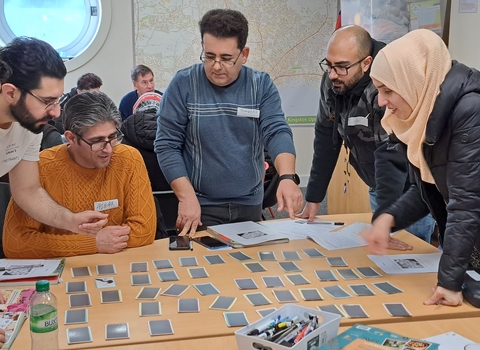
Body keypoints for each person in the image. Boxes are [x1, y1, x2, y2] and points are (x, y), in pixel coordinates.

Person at [154, 8, 303, 236]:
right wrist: (186, 197)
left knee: (249, 266)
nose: (216, 66)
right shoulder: (183, 84)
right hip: (199, 204)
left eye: (226, 58)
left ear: (244, 54)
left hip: (250, 201)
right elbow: (167, 145)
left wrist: (287, 177)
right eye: (209, 56)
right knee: (203, 269)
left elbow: (277, 132)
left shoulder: (260, 85)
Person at [364, 29, 480, 306]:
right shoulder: (425, 115)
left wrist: (449, 282)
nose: (381, 102)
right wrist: (389, 219)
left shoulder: (469, 109)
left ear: (414, 80)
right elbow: (429, 188)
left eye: (388, 90)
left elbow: (466, 202)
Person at [300, 25, 434, 244]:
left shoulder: (388, 83)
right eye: (329, 65)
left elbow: (390, 154)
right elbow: (326, 136)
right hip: (377, 184)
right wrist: (314, 197)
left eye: (342, 67)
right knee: (382, 257)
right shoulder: (333, 80)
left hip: (411, 190)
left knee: (412, 258)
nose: (333, 74)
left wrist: (385, 219)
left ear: (366, 63)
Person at [3, 91, 157, 258]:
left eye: (113, 137)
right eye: (97, 141)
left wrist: (102, 242)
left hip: (116, 267)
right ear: (71, 138)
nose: (109, 149)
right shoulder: (41, 166)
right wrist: (94, 242)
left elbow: (144, 230)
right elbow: (16, 242)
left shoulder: (128, 158)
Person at [0, 36, 106, 235]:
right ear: (10, 93)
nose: (56, 113)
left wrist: (70, 220)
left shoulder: (27, 124)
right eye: (47, 101)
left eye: (58, 100)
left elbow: (27, 190)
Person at [121, 92, 171, 192]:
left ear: (135, 112)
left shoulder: (121, 144)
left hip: (135, 202)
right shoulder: (180, 138)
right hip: (176, 203)